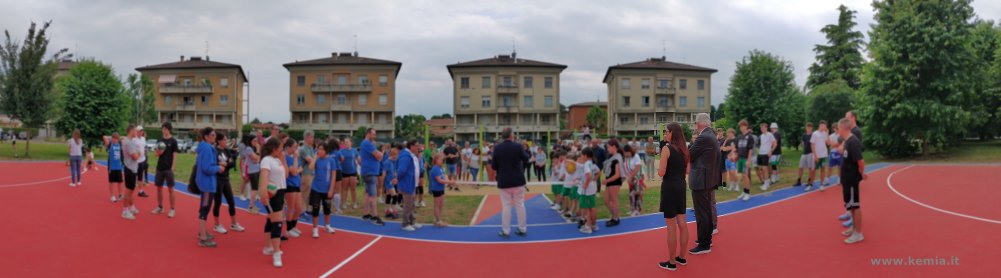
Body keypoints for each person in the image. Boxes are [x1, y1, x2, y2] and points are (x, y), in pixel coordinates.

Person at [657, 122, 690, 271]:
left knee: (671, 227)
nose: (664, 134)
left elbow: (661, 172)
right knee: (682, 224)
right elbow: (687, 170)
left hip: (670, 187)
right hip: (681, 186)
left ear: (672, 133)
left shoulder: (666, 148)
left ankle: (671, 262)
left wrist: (662, 166)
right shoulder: (685, 150)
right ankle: (682, 257)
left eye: (666, 131)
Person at [687, 113, 719, 255]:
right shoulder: (710, 135)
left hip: (702, 180)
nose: (695, 125)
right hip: (707, 179)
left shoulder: (704, 137)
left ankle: (704, 244)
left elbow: (689, 155)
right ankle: (706, 239)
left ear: (700, 123)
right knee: (705, 211)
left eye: (695, 123)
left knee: (702, 213)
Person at [492, 128, 529, 238]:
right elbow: (526, 158)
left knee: (506, 206)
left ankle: (506, 231)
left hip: (504, 181)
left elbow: (494, 166)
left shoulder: (497, 148)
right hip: (518, 180)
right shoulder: (518, 146)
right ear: (511, 135)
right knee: (520, 205)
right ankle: (522, 229)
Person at [258, 137, 287, 267]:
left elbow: (285, 175)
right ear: (274, 148)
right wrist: (263, 193)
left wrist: (283, 158)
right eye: (281, 147)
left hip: (280, 192)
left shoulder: (277, 159)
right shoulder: (266, 160)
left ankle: (267, 247)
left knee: (271, 219)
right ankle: (276, 253)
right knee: (277, 222)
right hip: (272, 194)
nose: (282, 150)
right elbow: (263, 177)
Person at [837, 118, 867, 244]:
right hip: (847, 179)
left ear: (844, 128)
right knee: (850, 205)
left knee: (855, 206)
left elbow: (860, 160)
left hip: (852, 178)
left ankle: (858, 233)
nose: (838, 130)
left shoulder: (853, 142)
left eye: (838, 128)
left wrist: (862, 172)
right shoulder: (847, 141)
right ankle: (853, 228)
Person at [195, 127, 224, 247]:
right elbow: (206, 168)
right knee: (205, 209)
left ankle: (202, 232)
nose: (215, 137)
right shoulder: (207, 148)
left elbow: (203, 165)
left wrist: (216, 165)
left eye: (215, 135)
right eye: (212, 135)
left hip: (205, 182)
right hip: (207, 184)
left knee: (204, 208)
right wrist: (218, 168)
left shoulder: (204, 147)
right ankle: (202, 238)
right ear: (206, 136)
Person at [212, 133, 245, 234]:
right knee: (218, 203)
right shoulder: (214, 151)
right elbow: (212, 163)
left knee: (231, 201)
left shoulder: (226, 150)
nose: (226, 142)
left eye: (226, 140)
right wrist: (220, 164)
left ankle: (234, 223)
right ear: (219, 141)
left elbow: (231, 163)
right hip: (217, 179)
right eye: (224, 140)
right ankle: (217, 225)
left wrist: (225, 164)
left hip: (226, 179)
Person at [309, 140, 338, 238]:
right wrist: (315, 157)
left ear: (326, 150)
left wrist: (331, 189)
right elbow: (311, 167)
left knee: (327, 209)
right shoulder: (317, 159)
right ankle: (315, 228)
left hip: (327, 189)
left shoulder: (331, 160)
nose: (319, 151)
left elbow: (333, 176)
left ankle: (327, 225)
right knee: (315, 208)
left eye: (321, 149)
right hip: (316, 188)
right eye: (318, 149)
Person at [359, 128, 385, 225]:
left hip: (368, 171)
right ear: (368, 134)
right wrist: (381, 152)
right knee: (373, 195)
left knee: (367, 193)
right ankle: (374, 217)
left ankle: (366, 214)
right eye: (373, 134)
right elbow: (379, 156)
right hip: (370, 172)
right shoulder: (367, 144)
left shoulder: (365, 143)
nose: (375, 136)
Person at [394, 139, 422, 232]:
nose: (418, 147)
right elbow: (402, 170)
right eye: (417, 145)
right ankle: (405, 223)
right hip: (407, 184)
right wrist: (397, 178)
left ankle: (412, 221)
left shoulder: (410, 155)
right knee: (407, 205)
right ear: (412, 146)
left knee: (412, 204)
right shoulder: (405, 156)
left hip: (412, 183)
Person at [153, 122, 179, 218]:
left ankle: (172, 209)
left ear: (169, 130)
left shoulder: (173, 141)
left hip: (168, 169)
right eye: (163, 129)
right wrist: (159, 152)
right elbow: (155, 154)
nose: (164, 131)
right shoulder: (159, 140)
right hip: (160, 168)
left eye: (166, 129)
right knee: (159, 188)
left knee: (170, 189)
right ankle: (160, 207)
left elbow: (175, 155)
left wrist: (173, 168)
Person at [120, 125, 143, 220]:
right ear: (131, 131)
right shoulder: (129, 143)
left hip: (130, 168)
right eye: (135, 130)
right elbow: (136, 156)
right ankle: (125, 211)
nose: (136, 132)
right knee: (129, 190)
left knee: (131, 190)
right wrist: (138, 153)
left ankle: (131, 207)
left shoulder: (128, 141)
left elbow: (136, 153)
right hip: (130, 168)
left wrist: (138, 152)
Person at [283, 140, 304, 238]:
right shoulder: (286, 158)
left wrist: (296, 169)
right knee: (291, 208)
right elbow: (294, 172)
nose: (296, 149)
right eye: (294, 147)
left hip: (297, 184)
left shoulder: (294, 158)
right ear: (288, 147)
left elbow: (300, 169)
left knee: (299, 208)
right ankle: (288, 229)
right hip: (290, 185)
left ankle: (293, 226)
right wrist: (295, 159)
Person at [429, 153, 456, 227]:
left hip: (441, 188)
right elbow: (440, 180)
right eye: (440, 159)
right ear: (436, 160)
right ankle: (438, 221)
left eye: (442, 159)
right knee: (437, 205)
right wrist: (450, 182)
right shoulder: (435, 168)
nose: (442, 161)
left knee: (441, 205)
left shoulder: (440, 168)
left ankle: (437, 219)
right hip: (436, 189)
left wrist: (450, 182)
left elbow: (443, 177)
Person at [602, 139, 624, 227]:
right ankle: (615, 216)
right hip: (610, 180)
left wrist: (606, 180)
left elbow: (618, 174)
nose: (607, 149)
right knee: (606, 201)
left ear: (614, 147)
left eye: (608, 147)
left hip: (614, 181)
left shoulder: (617, 158)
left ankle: (615, 218)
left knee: (614, 200)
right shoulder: (613, 157)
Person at [577, 148, 599, 234]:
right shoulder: (592, 163)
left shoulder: (586, 164)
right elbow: (598, 172)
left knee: (586, 209)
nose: (581, 156)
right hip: (592, 188)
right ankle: (594, 225)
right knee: (592, 207)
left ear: (585, 156)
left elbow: (589, 175)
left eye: (582, 155)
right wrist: (594, 180)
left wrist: (586, 184)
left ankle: (588, 226)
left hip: (586, 189)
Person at [240, 134, 263, 213]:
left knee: (255, 189)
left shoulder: (252, 149)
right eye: (254, 141)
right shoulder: (249, 149)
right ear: (250, 141)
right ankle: (251, 207)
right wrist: (258, 149)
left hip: (256, 170)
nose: (256, 142)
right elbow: (255, 158)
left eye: (257, 141)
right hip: (252, 171)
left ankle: (252, 205)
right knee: (254, 189)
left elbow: (257, 159)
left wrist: (257, 157)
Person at [735, 120, 755, 201]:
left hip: (746, 159)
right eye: (740, 126)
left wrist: (748, 160)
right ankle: (744, 191)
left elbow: (750, 150)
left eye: (743, 126)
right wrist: (735, 156)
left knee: (746, 176)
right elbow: (737, 148)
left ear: (746, 126)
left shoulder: (750, 137)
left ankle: (747, 193)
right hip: (740, 158)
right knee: (743, 176)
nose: (741, 128)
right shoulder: (739, 137)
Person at [622, 144, 645, 217]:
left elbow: (637, 168)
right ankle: (632, 209)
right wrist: (627, 178)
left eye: (626, 153)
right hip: (631, 178)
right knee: (631, 194)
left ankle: (637, 210)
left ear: (630, 151)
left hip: (638, 177)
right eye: (624, 153)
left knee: (637, 193)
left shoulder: (636, 156)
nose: (625, 154)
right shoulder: (626, 158)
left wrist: (631, 177)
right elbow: (625, 168)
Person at [103, 133, 124, 203]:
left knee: (120, 181)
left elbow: (126, 138)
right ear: (112, 139)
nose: (115, 140)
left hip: (119, 166)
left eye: (116, 139)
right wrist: (111, 138)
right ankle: (112, 196)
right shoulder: (110, 144)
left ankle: (120, 194)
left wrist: (119, 137)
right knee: (111, 182)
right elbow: (104, 137)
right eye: (114, 139)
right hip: (112, 167)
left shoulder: (120, 144)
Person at [339, 139, 359, 210]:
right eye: (345, 142)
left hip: (353, 172)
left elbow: (359, 160)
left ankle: (354, 203)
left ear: (351, 142)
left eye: (347, 142)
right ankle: (344, 203)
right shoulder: (341, 151)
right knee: (344, 189)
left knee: (353, 189)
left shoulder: (354, 150)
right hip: (344, 172)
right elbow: (339, 161)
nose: (346, 143)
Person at [796, 122, 817, 190]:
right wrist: (801, 145)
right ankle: (799, 180)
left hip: (810, 153)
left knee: (810, 168)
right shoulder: (804, 135)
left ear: (811, 128)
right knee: (800, 167)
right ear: (806, 127)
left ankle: (809, 181)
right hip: (804, 153)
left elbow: (815, 144)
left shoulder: (813, 135)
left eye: (809, 127)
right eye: (807, 127)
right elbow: (803, 142)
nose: (808, 128)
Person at [757, 123, 777, 191]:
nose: (762, 129)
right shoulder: (761, 136)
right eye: (761, 128)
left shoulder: (770, 134)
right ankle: (766, 181)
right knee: (762, 169)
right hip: (760, 154)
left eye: (763, 128)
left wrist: (771, 151)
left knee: (764, 168)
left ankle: (766, 184)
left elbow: (775, 143)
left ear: (766, 128)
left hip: (766, 154)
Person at [299, 131, 316, 209]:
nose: (313, 139)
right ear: (307, 137)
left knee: (307, 193)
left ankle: (305, 209)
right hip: (306, 173)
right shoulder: (303, 149)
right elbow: (311, 161)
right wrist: (316, 157)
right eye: (312, 137)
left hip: (310, 173)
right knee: (304, 192)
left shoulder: (310, 148)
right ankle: (301, 210)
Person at [811, 121, 831, 191]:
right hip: (817, 155)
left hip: (824, 155)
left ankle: (821, 184)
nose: (825, 127)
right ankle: (811, 185)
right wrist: (815, 155)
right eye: (824, 125)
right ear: (820, 125)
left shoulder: (825, 133)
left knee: (823, 170)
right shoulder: (815, 134)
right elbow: (812, 145)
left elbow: (828, 143)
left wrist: (827, 133)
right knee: (813, 170)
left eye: (825, 126)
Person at [382, 144, 400, 219]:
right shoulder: (387, 162)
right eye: (396, 155)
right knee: (395, 196)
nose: (397, 157)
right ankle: (394, 211)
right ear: (393, 155)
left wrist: (395, 177)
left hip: (391, 181)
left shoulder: (392, 162)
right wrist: (383, 185)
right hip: (388, 182)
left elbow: (393, 172)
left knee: (389, 196)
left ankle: (387, 211)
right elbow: (384, 173)